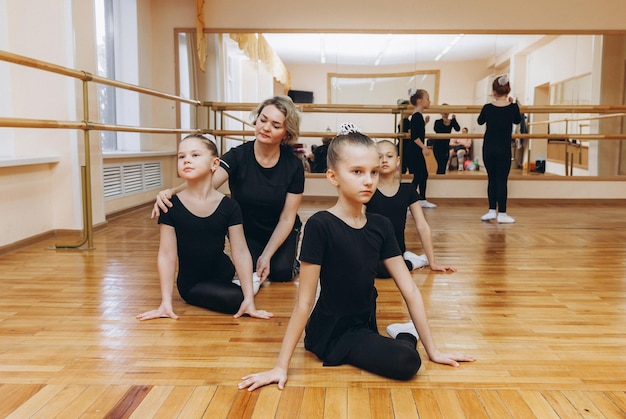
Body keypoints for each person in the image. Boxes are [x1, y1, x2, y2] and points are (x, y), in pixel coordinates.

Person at [237, 123, 474, 391]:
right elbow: (304, 302)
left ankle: (404, 333)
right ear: (333, 176)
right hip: (328, 331)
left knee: (409, 360)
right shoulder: (320, 225)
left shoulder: (380, 225)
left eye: (373, 172)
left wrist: (434, 350)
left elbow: (409, 289)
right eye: (357, 172)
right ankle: (405, 335)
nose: (369, 180)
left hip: (364, 324)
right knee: (407, 360)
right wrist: (280, 366)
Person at [153, 95, 304, 282]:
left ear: (286, 134)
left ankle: (291, 261)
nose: (265, 127)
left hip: (280, 230)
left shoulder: (294, 166)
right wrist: (171, 192)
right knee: (249, 270)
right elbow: (208, 183)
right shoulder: (238, 155)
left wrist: (267, 255)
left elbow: (287, 217)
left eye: (275, 125)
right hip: (247, 230)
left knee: (280, 273)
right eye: (262, 120)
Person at [137, 135, 273, 320]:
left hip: (224, 271)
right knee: (235, 299)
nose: (186, 160)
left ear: (214, 163)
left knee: (243, 300)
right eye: (181, 156)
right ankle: (247, 285)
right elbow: (166, 255)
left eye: (195, 155)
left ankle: (248, 285)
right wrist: (165, 303)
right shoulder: (171, 206)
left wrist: (250, 300)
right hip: (193, 283)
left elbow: (240, 251)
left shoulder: (229, 206)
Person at [366, 140, 457, 278]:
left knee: (384, 271)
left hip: (394, 250)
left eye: (389, 156)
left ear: (397, 161)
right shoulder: (367, 189)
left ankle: (416, 261)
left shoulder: (407, 190)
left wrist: (433, 263)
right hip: (371, 249)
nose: (384, 160)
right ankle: (410, 261)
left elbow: (422, 226)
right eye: (379, 157)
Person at [477, 76, 522, 223]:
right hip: (504, 148)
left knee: (492, 179)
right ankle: (502, 213)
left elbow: (480, 121)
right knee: (502, 180)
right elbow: (517, 120)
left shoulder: (487, 107)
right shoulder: (513, 107)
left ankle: (491, 210)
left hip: (488, 147)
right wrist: (513, 104)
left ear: (494, 91)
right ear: (508, 90)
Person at [408, 89, 436, 208]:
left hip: (415, 149)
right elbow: (414, 136)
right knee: (419, 175)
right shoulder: (416, 116)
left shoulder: (418, 117)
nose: (429, 101)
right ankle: (409, 201)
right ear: (420, 101)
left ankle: (422, 199)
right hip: (414, 150)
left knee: (423, 174)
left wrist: (425, 123)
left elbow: (417, 131)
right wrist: (424, 147)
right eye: (428, 99)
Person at [432, 105, 461, 174]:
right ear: (440, 112)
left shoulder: (452, 121)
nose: (445, 112)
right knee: (440, 165)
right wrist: (444, 121)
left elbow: (458, 129)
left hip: (446, 146)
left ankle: (441, 180)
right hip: (437, 146)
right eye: (443, 110)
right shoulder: (438, 121)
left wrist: (454, 120)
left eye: (447, 110)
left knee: (444, 165)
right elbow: (436, 129)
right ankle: (438, 180)